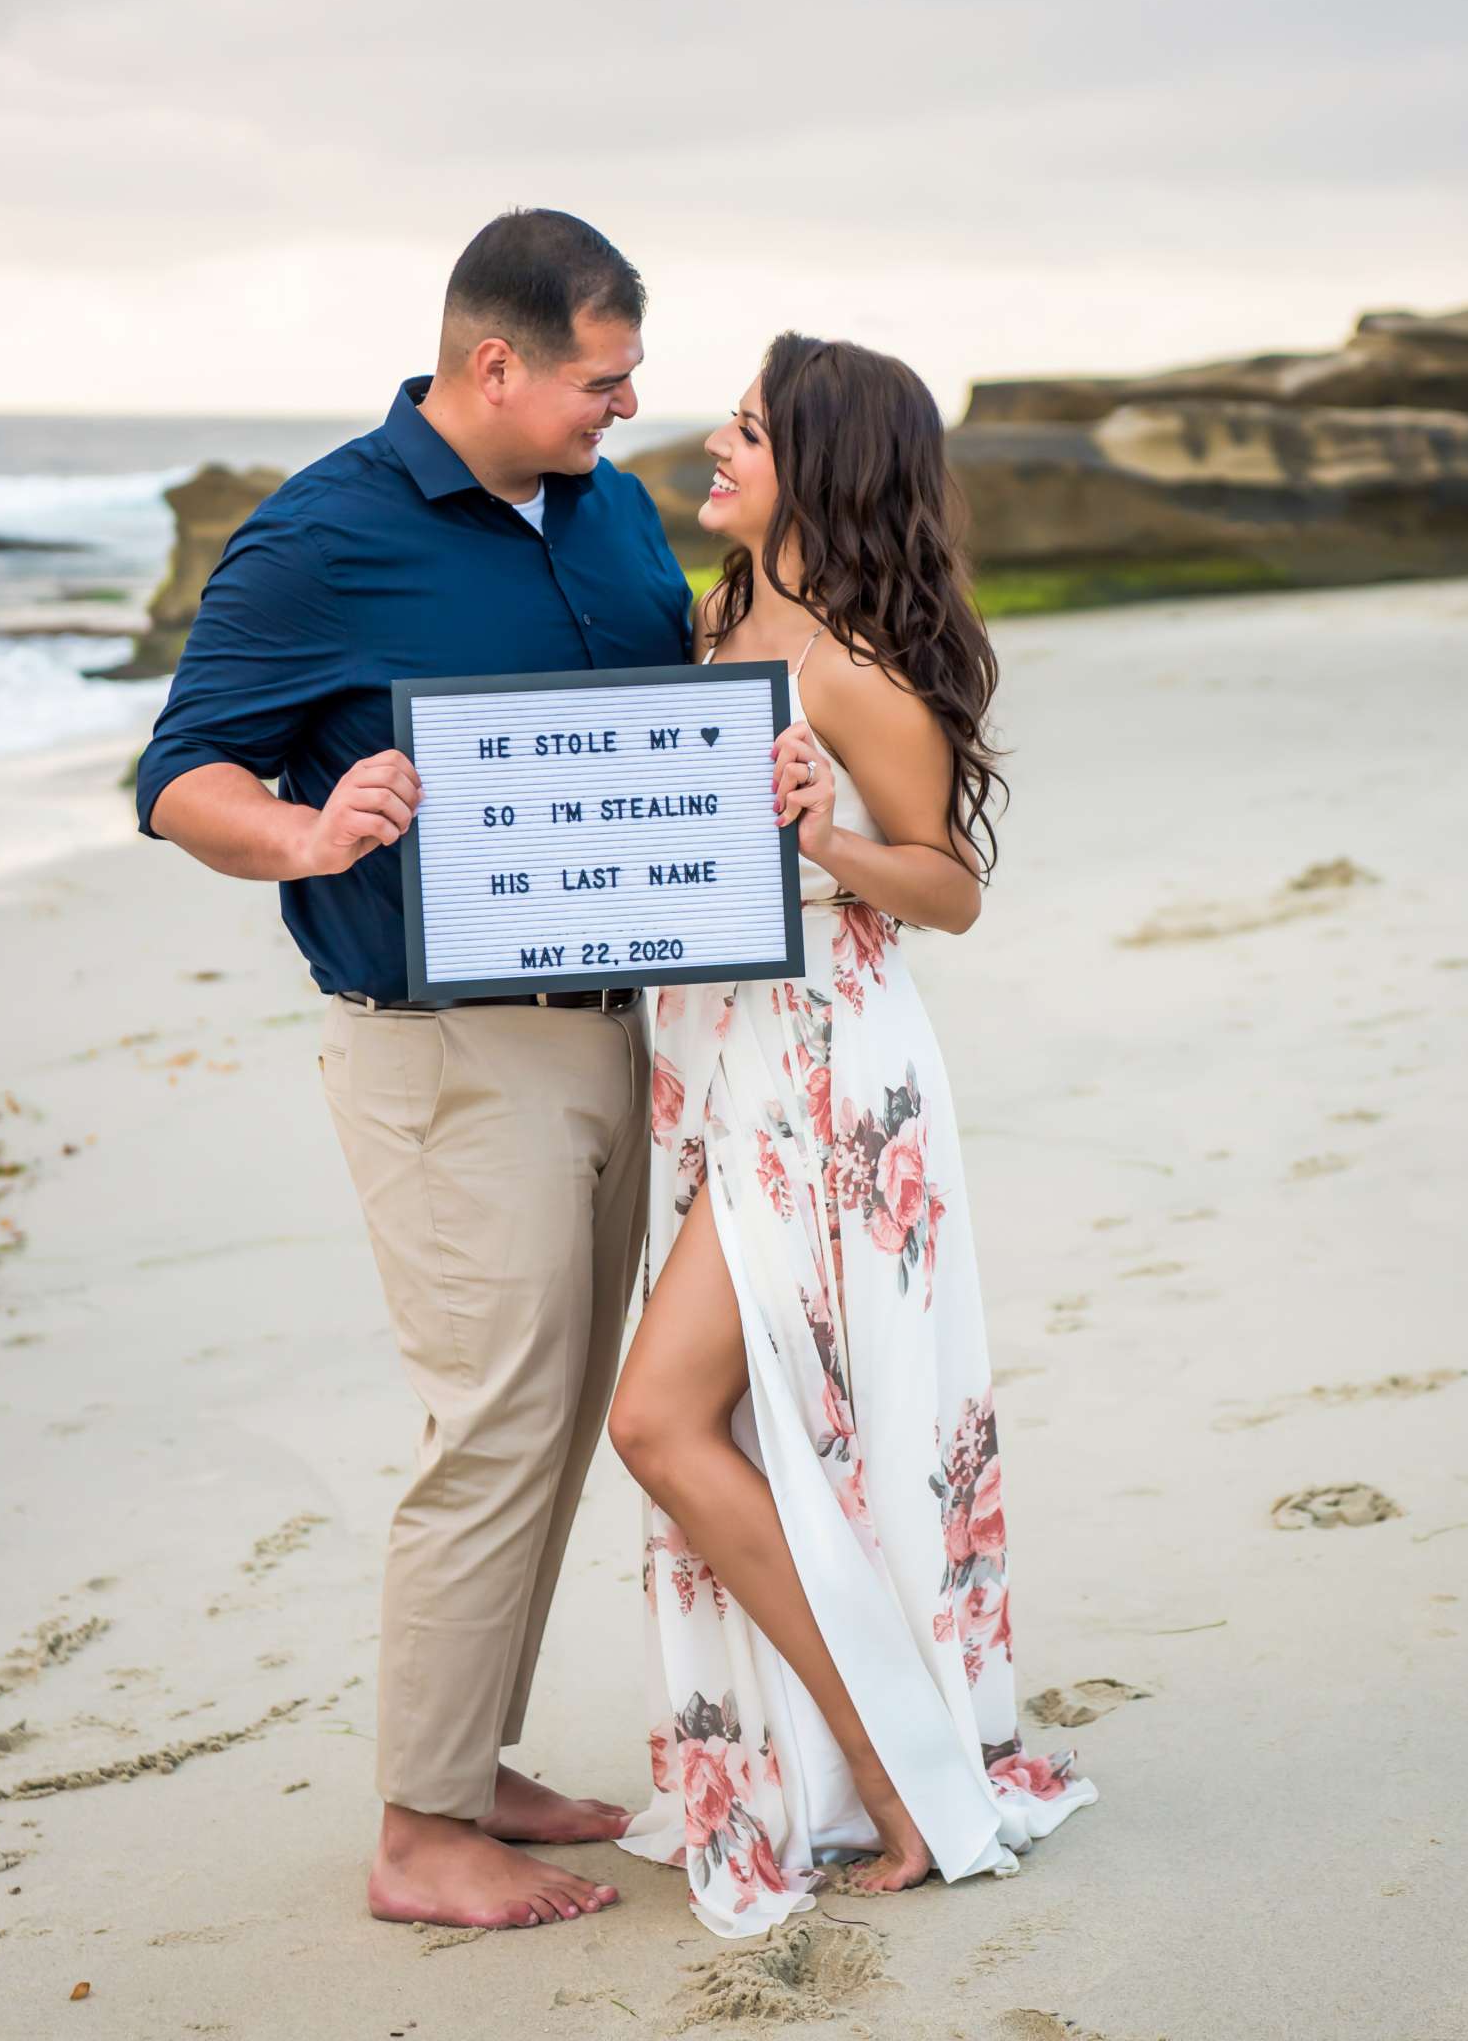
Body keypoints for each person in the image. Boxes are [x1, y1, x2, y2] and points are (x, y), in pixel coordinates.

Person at [136, 210, 692, 1932]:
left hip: (623, 1038)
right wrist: (307, 829)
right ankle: (418, 1832)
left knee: (556, 1423)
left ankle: (478, 1762)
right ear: (494, 362)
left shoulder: (609, 510)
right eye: (602, 381)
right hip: (447, 1059)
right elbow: (176, 777)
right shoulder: (319, 538)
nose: (623, 408)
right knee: (495, 1426)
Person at [608, 333, 1097, 1937]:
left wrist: (822, 838)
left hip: (826, 1080)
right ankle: (837, 1757)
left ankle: (894, 1772)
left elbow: (948, 887)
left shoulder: (858, 667)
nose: (711, 447)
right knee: (763, 1431)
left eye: (744, 430)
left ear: (818, 464)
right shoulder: (715, 617)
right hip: (717, 1061)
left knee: (660, 1422)